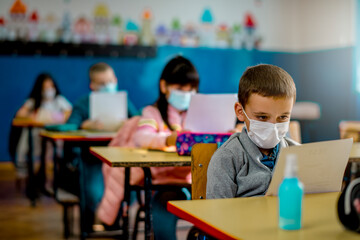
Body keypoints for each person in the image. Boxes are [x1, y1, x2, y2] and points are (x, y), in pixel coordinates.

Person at [98, 56, 200, 239]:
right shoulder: (151, 113)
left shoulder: (200, 112)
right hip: (164, 185)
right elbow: (142, 137)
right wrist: (169, 140)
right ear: (164, 86)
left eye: (191, 89)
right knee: (163, 213)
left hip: (198, 182)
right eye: (179, 89)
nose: (186, 94)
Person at [206, 64, 299, 199]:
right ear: (240, 112)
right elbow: (217, 212)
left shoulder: (298, 153)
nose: (273, 126)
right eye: (262, 117)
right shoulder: (227, 158)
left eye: (283, 117)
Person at [14, 73, 72, 177]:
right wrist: (34, 115)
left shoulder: (59, 100)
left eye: (51, 86)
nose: (49, 90)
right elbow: (20, 114)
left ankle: (53, 175)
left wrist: (56, 116)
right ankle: (36, 176)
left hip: (54, 134)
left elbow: (70, 113)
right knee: (34, 146)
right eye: (45, 87)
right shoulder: (33, 101)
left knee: (53, 149)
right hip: (37, 134)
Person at [67, 62, 138, 130]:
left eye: (110, 81)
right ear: (92, 85)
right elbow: (71, 125)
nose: (108, 86)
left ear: (116, 80)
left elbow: (137, 120)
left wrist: (129, 123)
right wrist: (84, 125)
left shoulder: (123, 100)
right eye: (102, 83)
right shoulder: (82, 103)